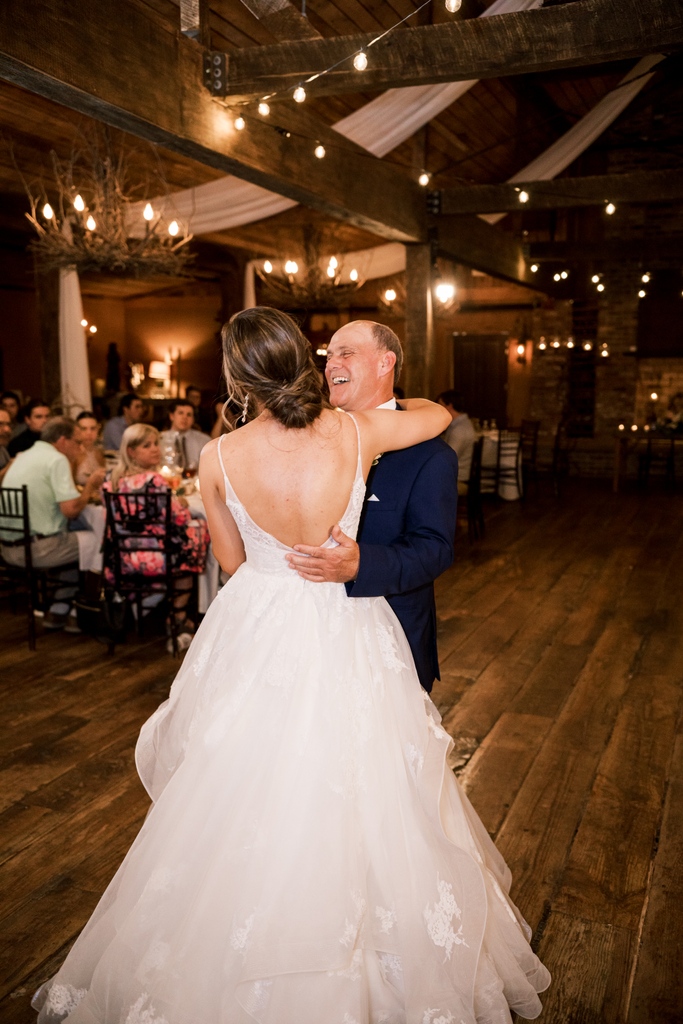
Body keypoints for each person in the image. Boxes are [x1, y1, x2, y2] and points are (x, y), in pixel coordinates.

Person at [33, 307, 549, 1024]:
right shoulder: (355, 432)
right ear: (302, 366)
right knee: (368, 781)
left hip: (261, 621)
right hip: (342, 616)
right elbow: (433, 416)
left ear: (237, 374)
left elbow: (232, 563)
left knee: (245, 778)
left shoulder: (216, 458)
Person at [286, 320, 459, 694]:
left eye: (346, 353)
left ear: (385, 363)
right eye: (328, 356)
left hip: (389, 646)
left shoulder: (430, 455)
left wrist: (360, 564)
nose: (331, 365)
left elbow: (435, 549)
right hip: (308, 639)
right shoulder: (306, 439)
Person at [101, 424, 209, 638]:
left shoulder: (110, 479)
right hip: (157, 558)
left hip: (121, 558)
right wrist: (183, 504)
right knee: (195, 537)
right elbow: (178, 519)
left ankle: (145, 605)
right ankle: (178, 616)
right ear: (131, 451)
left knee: (183, 542)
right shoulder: (154, 481)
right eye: (146, 445)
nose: (155, 449)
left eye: (155, 444)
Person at [0, 417, 106, 630]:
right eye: (77, 442)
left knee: (77, 537)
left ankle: (58, 608)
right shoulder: (57, 460)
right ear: (62, 440)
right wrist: (89, 487)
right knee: (100, 540)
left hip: (7, 547)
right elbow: (71, 510)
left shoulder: (25, 455)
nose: (80, 446)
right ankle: (82, 609)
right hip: (37, 549)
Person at [438, 389, 477, 492]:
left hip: (459, 478)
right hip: (458, 474)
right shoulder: (462, 423)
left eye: (440, 405)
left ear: (449, 406)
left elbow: (448, 459)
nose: (438, 409)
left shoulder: (459, 429)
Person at [159, 399, 211, 473]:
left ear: (193, 419)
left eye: (189, 415)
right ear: (171, 416)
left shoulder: (204, 440)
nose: (184, 418)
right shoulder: (160, 439)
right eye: (180, 413)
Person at [73, 411, 105, 487]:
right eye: (84, 429)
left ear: (98, 429)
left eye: (93, 428)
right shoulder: (73, 454)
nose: (89, 433)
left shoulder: (99, 453)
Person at [0, 406, 13, 482]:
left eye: (8, 424)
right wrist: (10, 465)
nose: (7, 429)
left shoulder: (2, 449)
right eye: (0, 424)